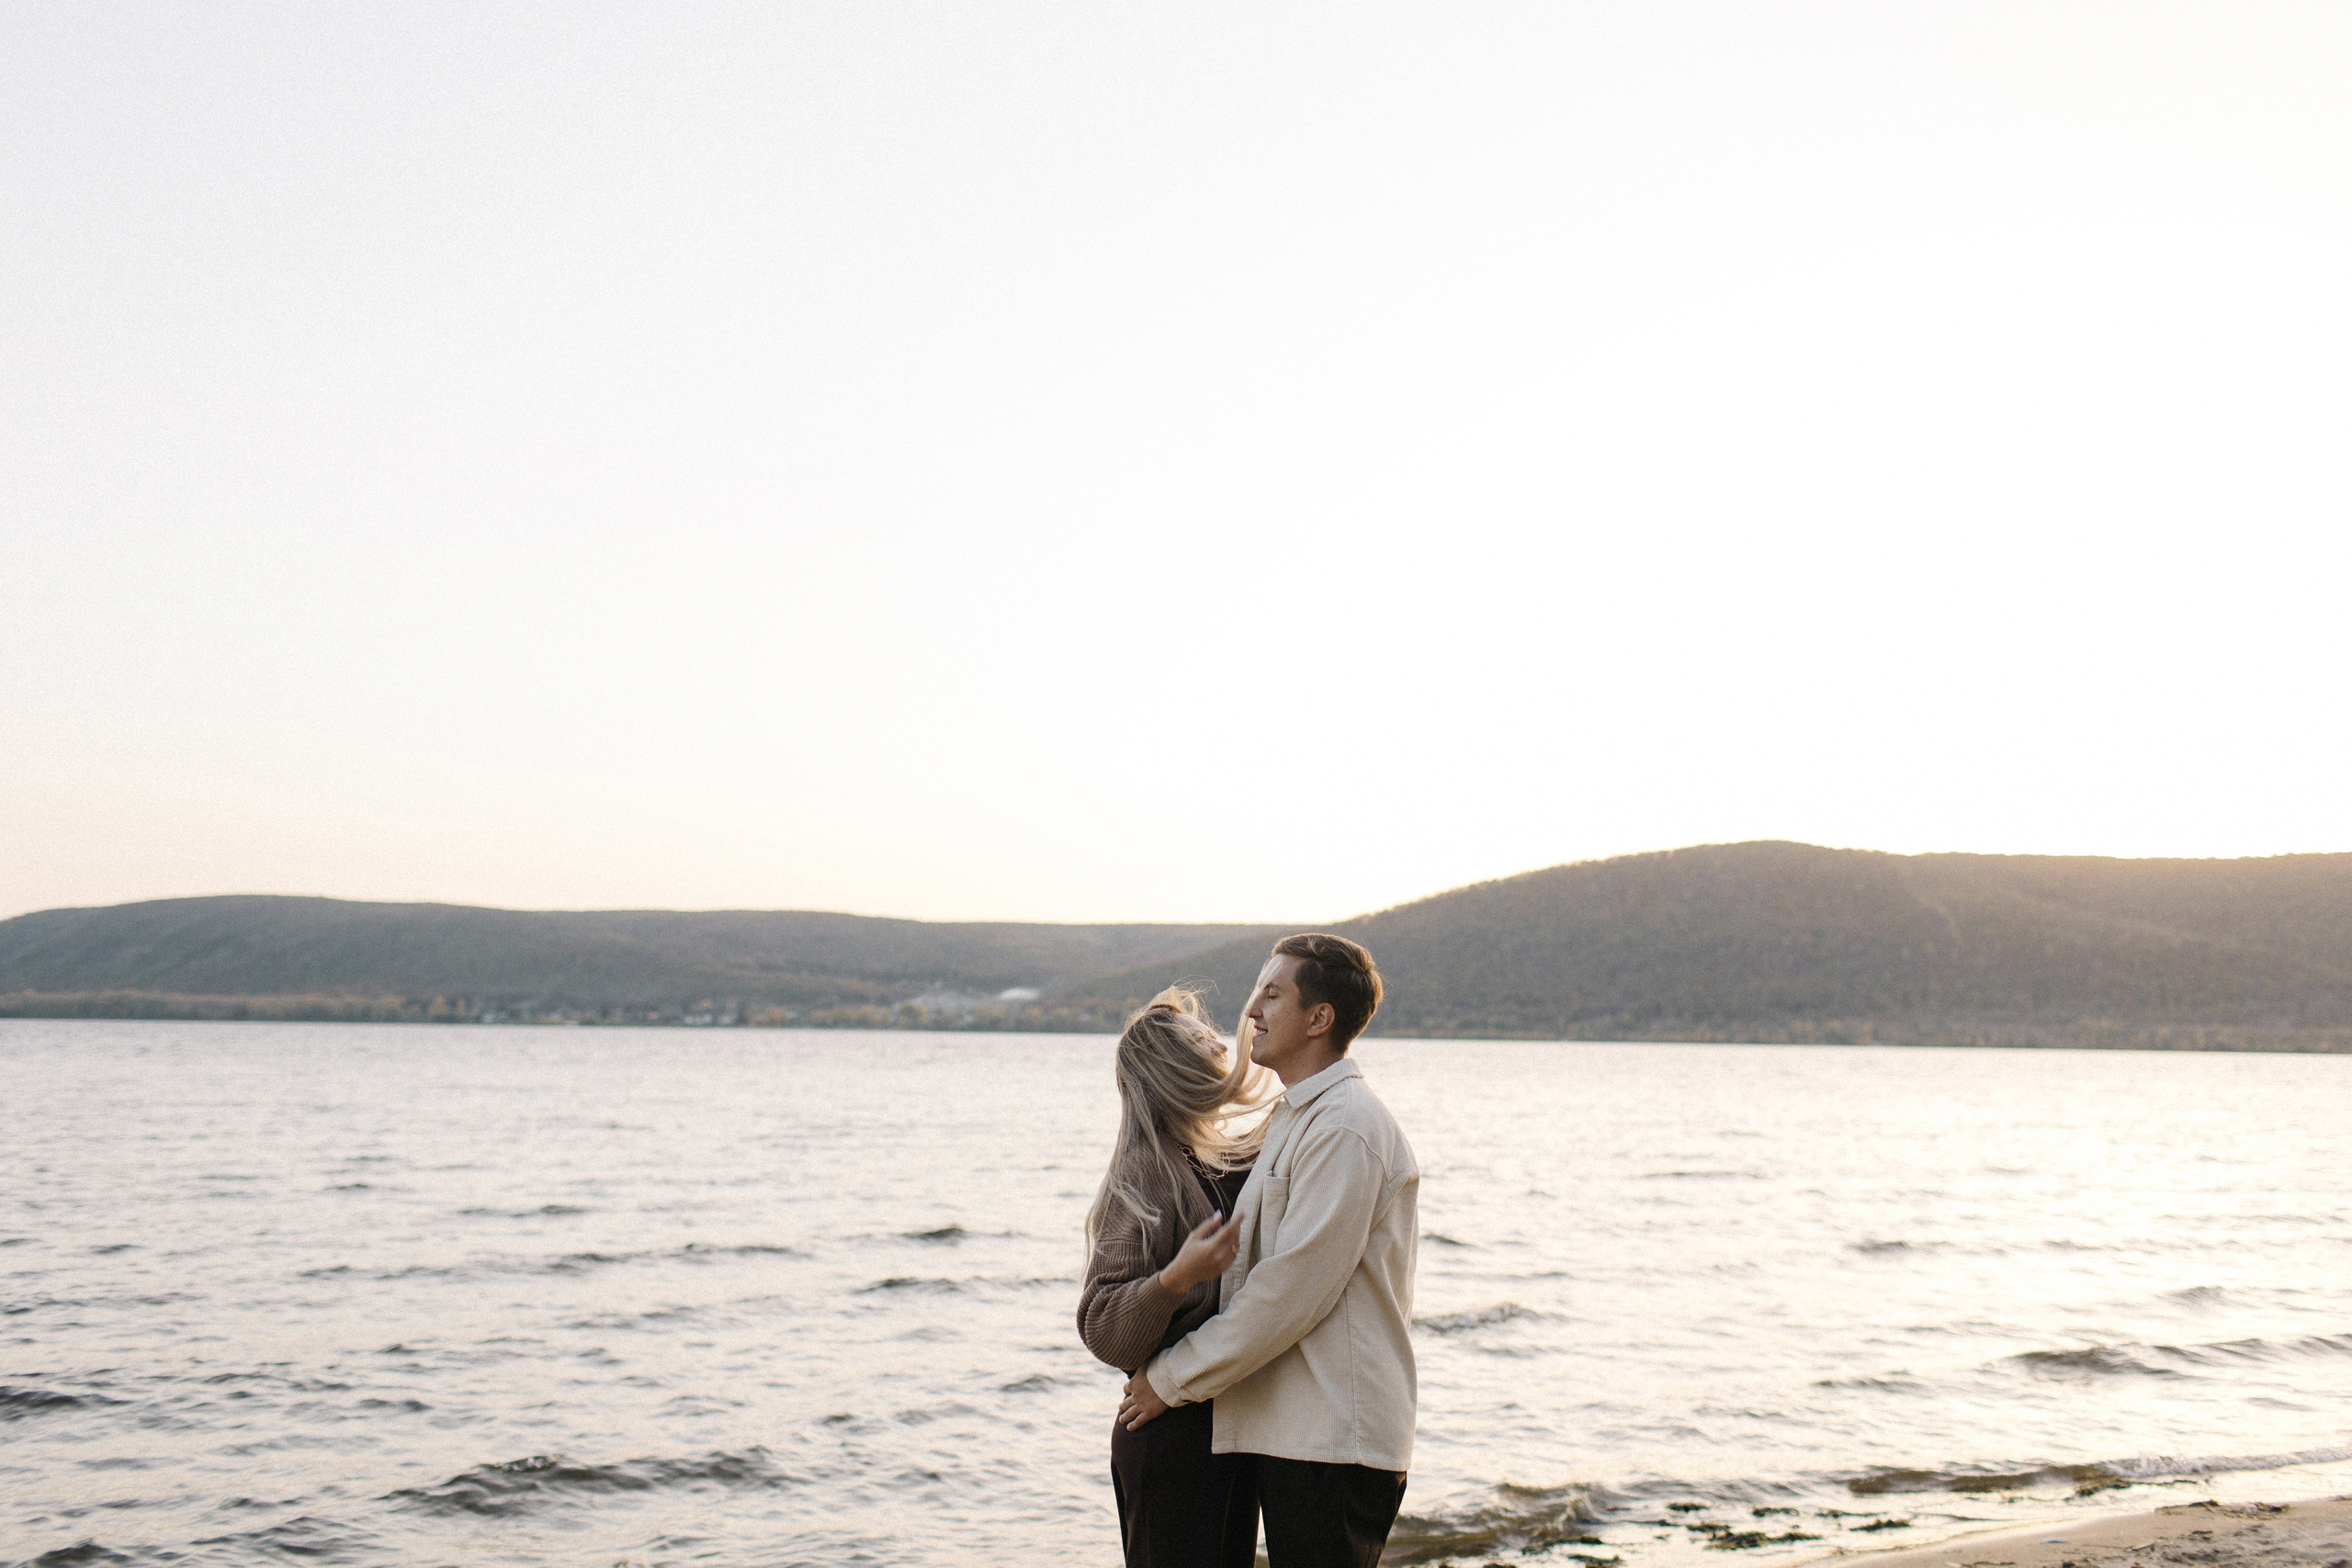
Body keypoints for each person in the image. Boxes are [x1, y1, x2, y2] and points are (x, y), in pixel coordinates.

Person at [1116, 933, 1419, 1568]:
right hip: (1299, 1434)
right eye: (1256, 989)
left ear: (1319, 1018)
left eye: (1272, 993)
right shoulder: (1297, 1119)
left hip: (1337, 1439)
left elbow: (1288, 1292)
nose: (1250, 1009)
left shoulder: (1344, 1127)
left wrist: (1169, 1381)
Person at [1079, 987, 1279, 1567]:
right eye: (1200, 1041)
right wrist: (1175, 1278)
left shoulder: (1221, 1157)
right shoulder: (1144, 1172)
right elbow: (1103, 1328)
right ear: (1174, 1070)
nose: (1219, 1044)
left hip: (1223, 1425)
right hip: (1169, 1439)